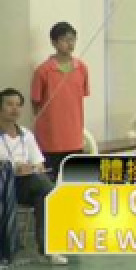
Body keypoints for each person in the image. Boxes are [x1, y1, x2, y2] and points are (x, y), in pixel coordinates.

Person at [0, 88, 68, 265]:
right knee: (46, 189)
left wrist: (29, 167)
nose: (14, 109)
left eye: (18, 105)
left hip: (24, 184)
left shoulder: (26, 135)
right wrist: (12, 168)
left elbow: (39, 164)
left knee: (44, 193)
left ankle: (48, 250)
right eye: (9, 104)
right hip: (3, 185)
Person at [31, 22, 89, 182]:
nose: (70, 44)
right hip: (50, 140)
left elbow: (80, 97)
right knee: (52, 183)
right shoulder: (43, 71)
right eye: (64, 39)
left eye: (72, 39)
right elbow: (35, 103)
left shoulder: (82, 68)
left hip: (74, 138)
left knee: (74, 182)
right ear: (54, 42)